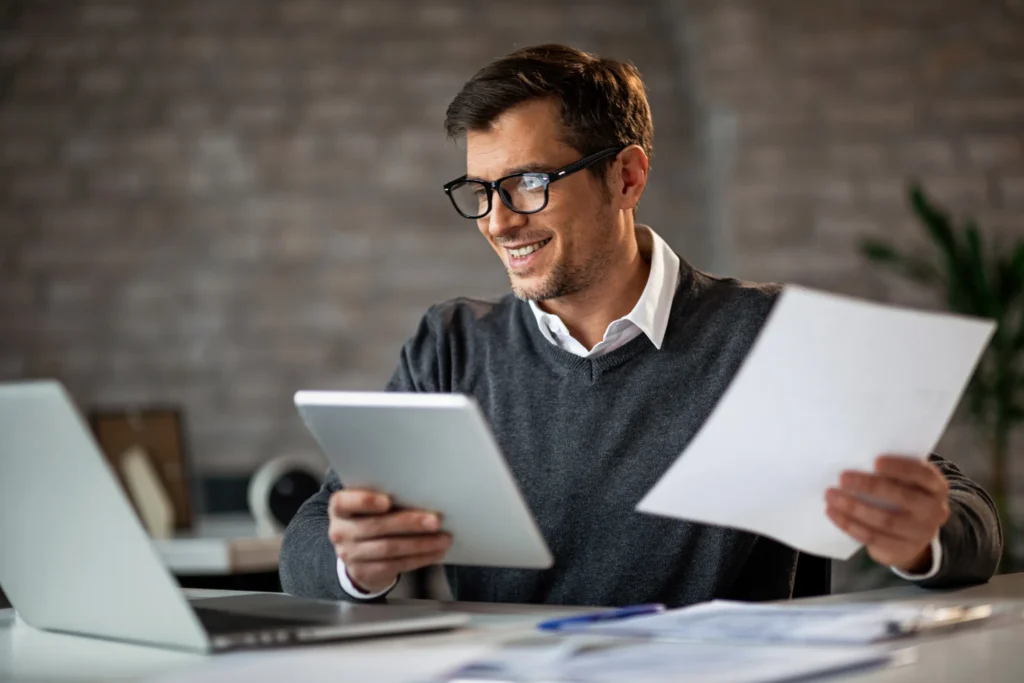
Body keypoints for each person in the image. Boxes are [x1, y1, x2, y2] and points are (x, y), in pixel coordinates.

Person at [279, 44, 1002, 607]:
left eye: (529, 184)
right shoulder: (452, 346)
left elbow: (965, 517)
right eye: (480, 190)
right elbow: (308, 542)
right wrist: (354, 557)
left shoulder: (766, 335)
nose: (499, 221)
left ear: (626, 176)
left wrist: (920, 535)